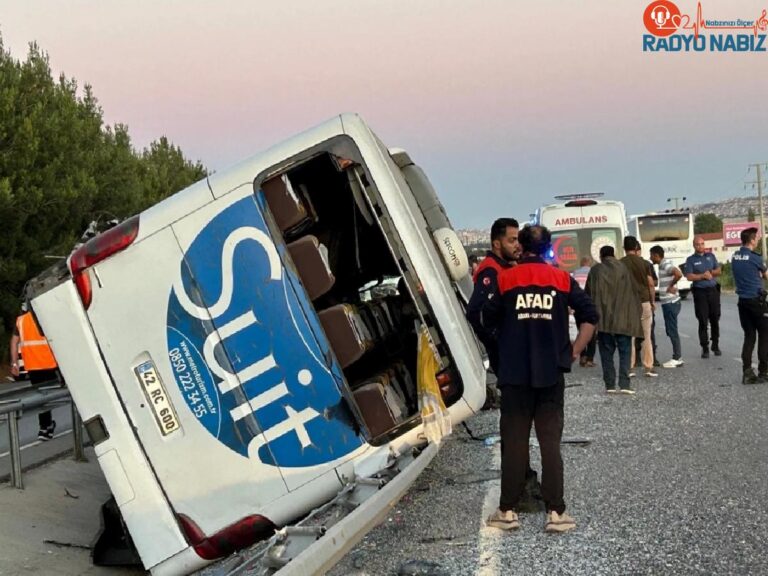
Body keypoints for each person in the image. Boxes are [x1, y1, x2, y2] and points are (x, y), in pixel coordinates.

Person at [480, 225, 597, 533]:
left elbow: (487, 319)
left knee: (515, 443)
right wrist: (574, 350)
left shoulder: (506, 279)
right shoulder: (561, 278)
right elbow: (590, 316)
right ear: (549, 249)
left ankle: (507, 511)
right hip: (550, 374)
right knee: (550, 443)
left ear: (522, 246)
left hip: (515, 375)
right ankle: (556, 513)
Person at [585, 245, 643, 393]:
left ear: (601, 255)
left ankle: (610, 385)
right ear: (614, 254)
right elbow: (634, 292)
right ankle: (625, 384)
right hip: (624, 319)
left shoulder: (595, 270)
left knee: (606, 354)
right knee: (624, 352)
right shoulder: (624, 269)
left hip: (603, 320)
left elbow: (587, 294)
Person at [467, 218, 520, 375]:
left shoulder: (506, 267)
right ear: (497, 244)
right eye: (512, 240)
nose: (517, 245)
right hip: (504, 353)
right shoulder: (491, 270)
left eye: (518, 240)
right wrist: (496, 341)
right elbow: (475, 311)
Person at [9, 305, 60, 440]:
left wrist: (14, 363)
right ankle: (46, 427)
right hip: (50, 363)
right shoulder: (45, 317)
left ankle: (46, 427)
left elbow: (14, 342)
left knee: (42, 396)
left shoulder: (21, 320)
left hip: (32, 365)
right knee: (52, 394)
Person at [731, 227, 768, 384]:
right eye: (756, 238)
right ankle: (764, 372)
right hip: (757, 301)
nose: (758, 240)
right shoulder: (755, 258)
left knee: (749, 336)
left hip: (743, 302)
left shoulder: (735, 256)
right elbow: (766, 275)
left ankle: (747, 371)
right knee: (765, 335)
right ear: (752, 240)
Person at [621, 236, 658, 377]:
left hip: (628, 303)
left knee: (630, 337)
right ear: (636, 248)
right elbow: (650, 284)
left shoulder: (620, 264)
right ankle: (648, 366)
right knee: (647, 335)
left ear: (624, 248)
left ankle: (629, 368)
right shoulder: (645, 263)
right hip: (644, 301)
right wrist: (653, 301)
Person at [685, 236, 722, 358]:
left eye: (702, 244)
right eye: (698, 244)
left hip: (713, 291)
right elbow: (689, 276)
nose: (700, 246)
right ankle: (704, 347)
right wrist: (702, 276)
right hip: (700, 292)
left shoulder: (710, 256)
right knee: (702, 320)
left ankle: (715, 345)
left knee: (715, 318)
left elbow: (718, 270)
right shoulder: (690, 260)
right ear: (694, 246)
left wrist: (710, 273)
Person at [649, 245, 684, 368]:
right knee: (670, 330)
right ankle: (677, 356)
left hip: (670, 302)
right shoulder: (663, 264)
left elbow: (678, 274)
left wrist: (670, 286)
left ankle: (677, 357)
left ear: (656, 255)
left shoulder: (664, 264)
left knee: (672, 330)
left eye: (651, 255)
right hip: (669, 302)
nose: (650, 257)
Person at [571, 257, 597, 367]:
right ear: (589, 263)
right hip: (590, 305)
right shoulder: (593, 273)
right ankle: (590, 359)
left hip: (578, 306)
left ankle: (582, 357)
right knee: (592, 332)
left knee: (580, 330)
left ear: (582, 263)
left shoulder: (575, 272)